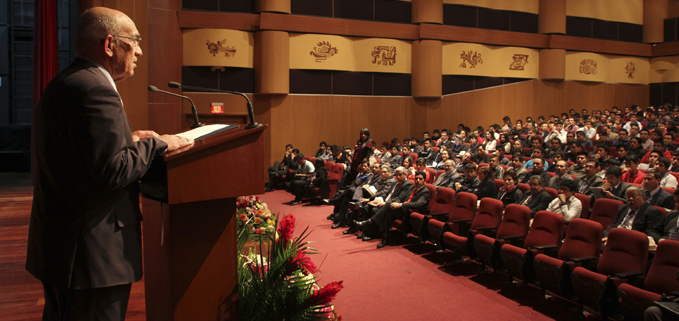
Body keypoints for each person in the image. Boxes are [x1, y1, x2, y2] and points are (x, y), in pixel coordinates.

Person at [27, 7, 194, 320]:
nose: (139, 50)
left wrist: (128, 140)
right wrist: (158, 143)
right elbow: (114, 170)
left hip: (64, 247)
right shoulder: (96, 89)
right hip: (91, 253)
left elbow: (78, 154)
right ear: (109, 45)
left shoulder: (67, 82)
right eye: (134, 42)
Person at [354, 169, 430, 249]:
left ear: (425, 181)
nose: (418, 181)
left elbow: (418, 204)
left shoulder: (425, 192)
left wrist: (400, 205)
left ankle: (371, 221)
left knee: (387, 205)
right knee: (388, 213)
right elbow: (401, 198)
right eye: (416, 178)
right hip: (401, 209)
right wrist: (397, 203)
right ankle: (385, 239)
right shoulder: (412, 188)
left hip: (408, 212)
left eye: (420, 179)